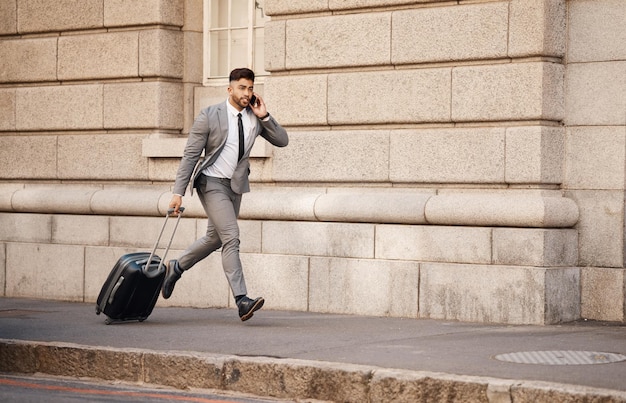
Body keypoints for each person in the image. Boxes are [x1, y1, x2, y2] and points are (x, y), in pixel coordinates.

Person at [162, 67, 289, 321]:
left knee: (215, 238)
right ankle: (242, 300)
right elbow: (190, 155)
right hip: (211, 183)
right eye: (242, 87)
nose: (247, 93)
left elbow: (282, 140)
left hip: (235, 186)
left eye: (250, 88)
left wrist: (265, 116)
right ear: (230, 89)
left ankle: (176, 267)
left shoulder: (254, 117)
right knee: (231, 236)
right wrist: (178, 193)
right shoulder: (210, 115)